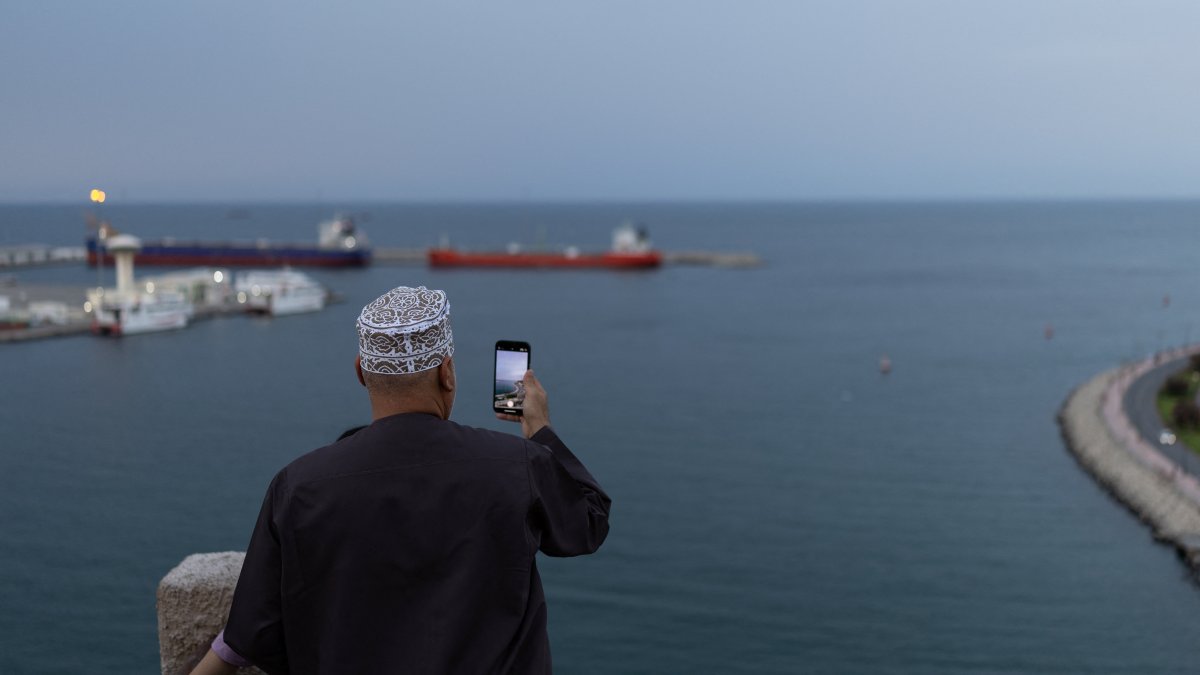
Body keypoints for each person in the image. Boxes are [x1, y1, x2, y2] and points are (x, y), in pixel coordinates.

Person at [189, 285, 611, 675]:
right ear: (447, 373)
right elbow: (587, 525)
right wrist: (539, 428)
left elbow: (254, 632)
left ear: (360, 372)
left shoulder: (298, 485)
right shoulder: (518, 465)